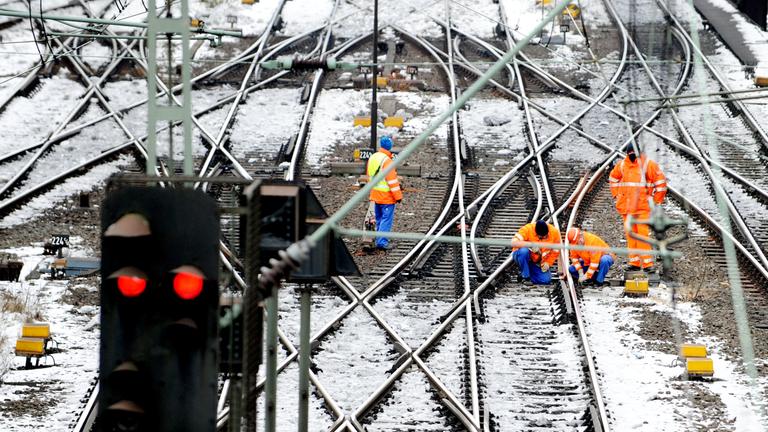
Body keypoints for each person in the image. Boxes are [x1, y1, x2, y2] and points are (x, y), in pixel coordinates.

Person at [609, 146, 667, 271]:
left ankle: (647, 264)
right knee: (631, 235)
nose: (632, 155)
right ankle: (634, 263)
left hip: (642, 208)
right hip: (627, 208)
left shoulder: (649, 165)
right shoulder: (622, 165)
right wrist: (616, 194)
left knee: (643, 235)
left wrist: (656, 201)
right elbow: (613, 178)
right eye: (630, 152)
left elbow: (661, 184)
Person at [367, 136, 402, 251]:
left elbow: (369, 175)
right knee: (386, 219)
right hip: (386, 196)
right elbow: (392, 181)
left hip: (375, 194)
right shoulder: (387, 161)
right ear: (390, 147)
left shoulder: (373, 157)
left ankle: (379, 238)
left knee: (379, 218)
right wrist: (398, 196)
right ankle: (382, 243)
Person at [511, 220, 561, 285]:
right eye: (541, 237)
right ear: (536, 232)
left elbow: (556, 251)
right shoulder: (528, 229)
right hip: (522, 256)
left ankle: (524, 274)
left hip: (536, 262)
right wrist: (530, 245)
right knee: (524, 251)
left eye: (545, 237)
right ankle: (526, 277)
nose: (543, 238)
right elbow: (514, 242)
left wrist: (548, 263)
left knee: (545, 280)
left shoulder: (554, 233)